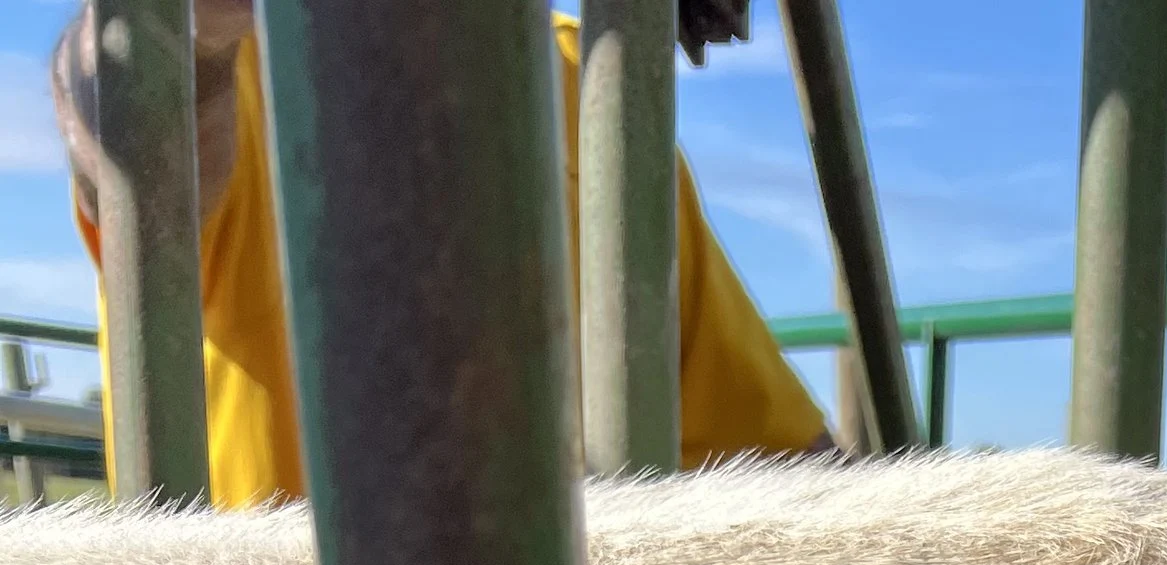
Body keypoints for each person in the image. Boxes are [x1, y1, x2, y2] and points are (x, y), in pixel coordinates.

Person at [50, 0, 832, 505]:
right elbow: (113, 116)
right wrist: (177, 31)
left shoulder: (586, 87)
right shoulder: (240, 67)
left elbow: (783, 457)